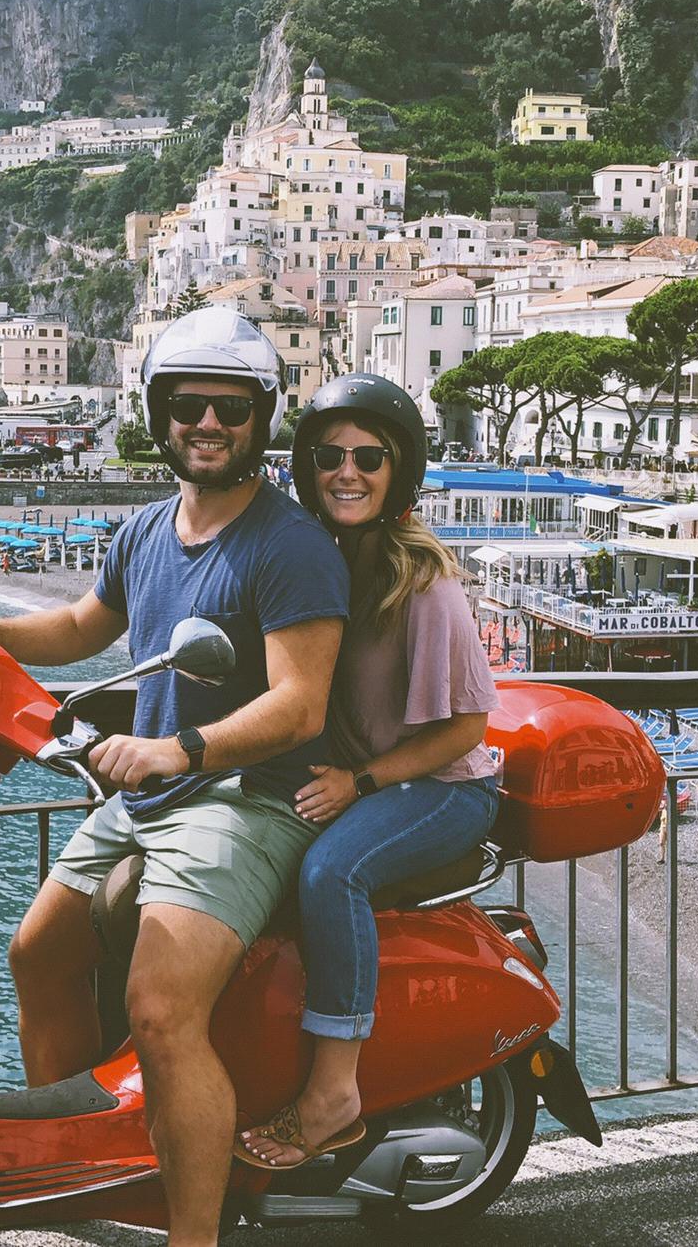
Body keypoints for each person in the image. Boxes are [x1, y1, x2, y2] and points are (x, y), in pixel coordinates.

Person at [0, 307, 347, 1247]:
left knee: (160, 1007)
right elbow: (77, 632)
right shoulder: (146, 530)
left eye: (229, 406)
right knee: (38, 953)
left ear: (262, 417)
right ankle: (87, 1182)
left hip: (245, 796)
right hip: (152, 791)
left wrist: (181, 750)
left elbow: (300, 704)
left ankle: (192, 1237)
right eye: (187, 404)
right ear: (157, 411)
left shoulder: (289, 543)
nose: (207, 423)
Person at [235, 374, 501, 1171]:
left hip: (446, 786)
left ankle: (334, 1091)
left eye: (369, 457)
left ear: (399, 471)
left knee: (329, 875)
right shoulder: (314, 561)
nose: (347, 472)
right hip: (376, 776)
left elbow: (466, 727)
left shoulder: (423, 580)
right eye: (329, 456)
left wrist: (363, 783)